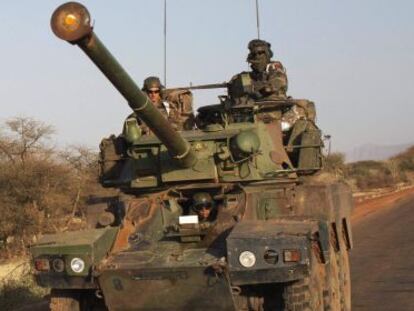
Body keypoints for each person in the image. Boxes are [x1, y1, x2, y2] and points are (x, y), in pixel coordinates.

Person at [123, 76, 194, 140]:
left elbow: (178, 126)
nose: (153, 95)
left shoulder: (168, 107)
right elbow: (129, 135)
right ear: (145, 92)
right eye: (150, 92)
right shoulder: (138, 114)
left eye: (156, 91)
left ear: (159, 92)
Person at [228, 39, 288, 104]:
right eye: (254, 54)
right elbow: (246, 92)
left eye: (260, 53)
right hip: (254, 107)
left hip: (275, 104)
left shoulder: (274, 68)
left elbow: (277, 83)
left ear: (267, 54)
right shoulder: (246, 76)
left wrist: (258, 93)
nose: (257, 56)